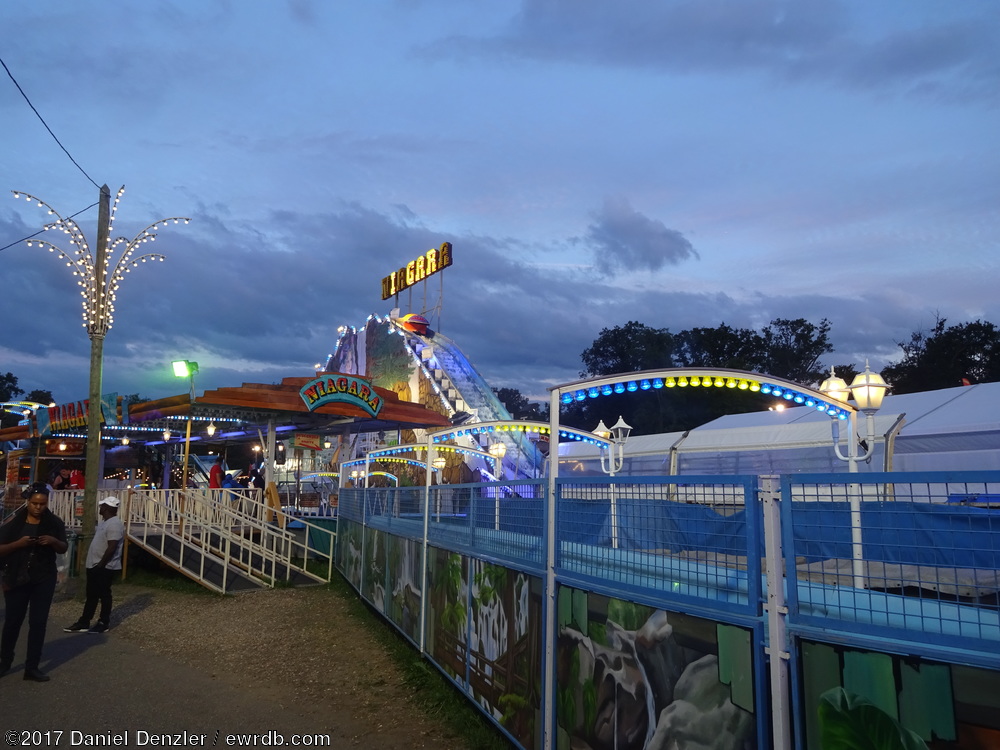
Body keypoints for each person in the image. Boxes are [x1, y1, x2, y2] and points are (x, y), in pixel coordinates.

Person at [0, 482, 69, 681]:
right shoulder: (14, 524)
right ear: (28, 502)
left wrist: (53, 541)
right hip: (16, 577)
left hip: (43, 576)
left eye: (42, 504)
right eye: (35, 503)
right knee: (13, 621)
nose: (38, 507)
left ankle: (32, 667)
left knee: (38, 622)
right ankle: (4, 661)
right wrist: (18, 544)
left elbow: (63, 547)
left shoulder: (54, 523)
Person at [64, 496, 124, 635]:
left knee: (104, 594)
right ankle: (84, 621)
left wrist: (101, 564)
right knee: (92, 594)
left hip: (105, 566)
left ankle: (103, 622)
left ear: (107, 508)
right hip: (95, 565)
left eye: (102, 506)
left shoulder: (114, 524)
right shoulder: (105, 522)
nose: (100, 508)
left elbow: (112, 546)